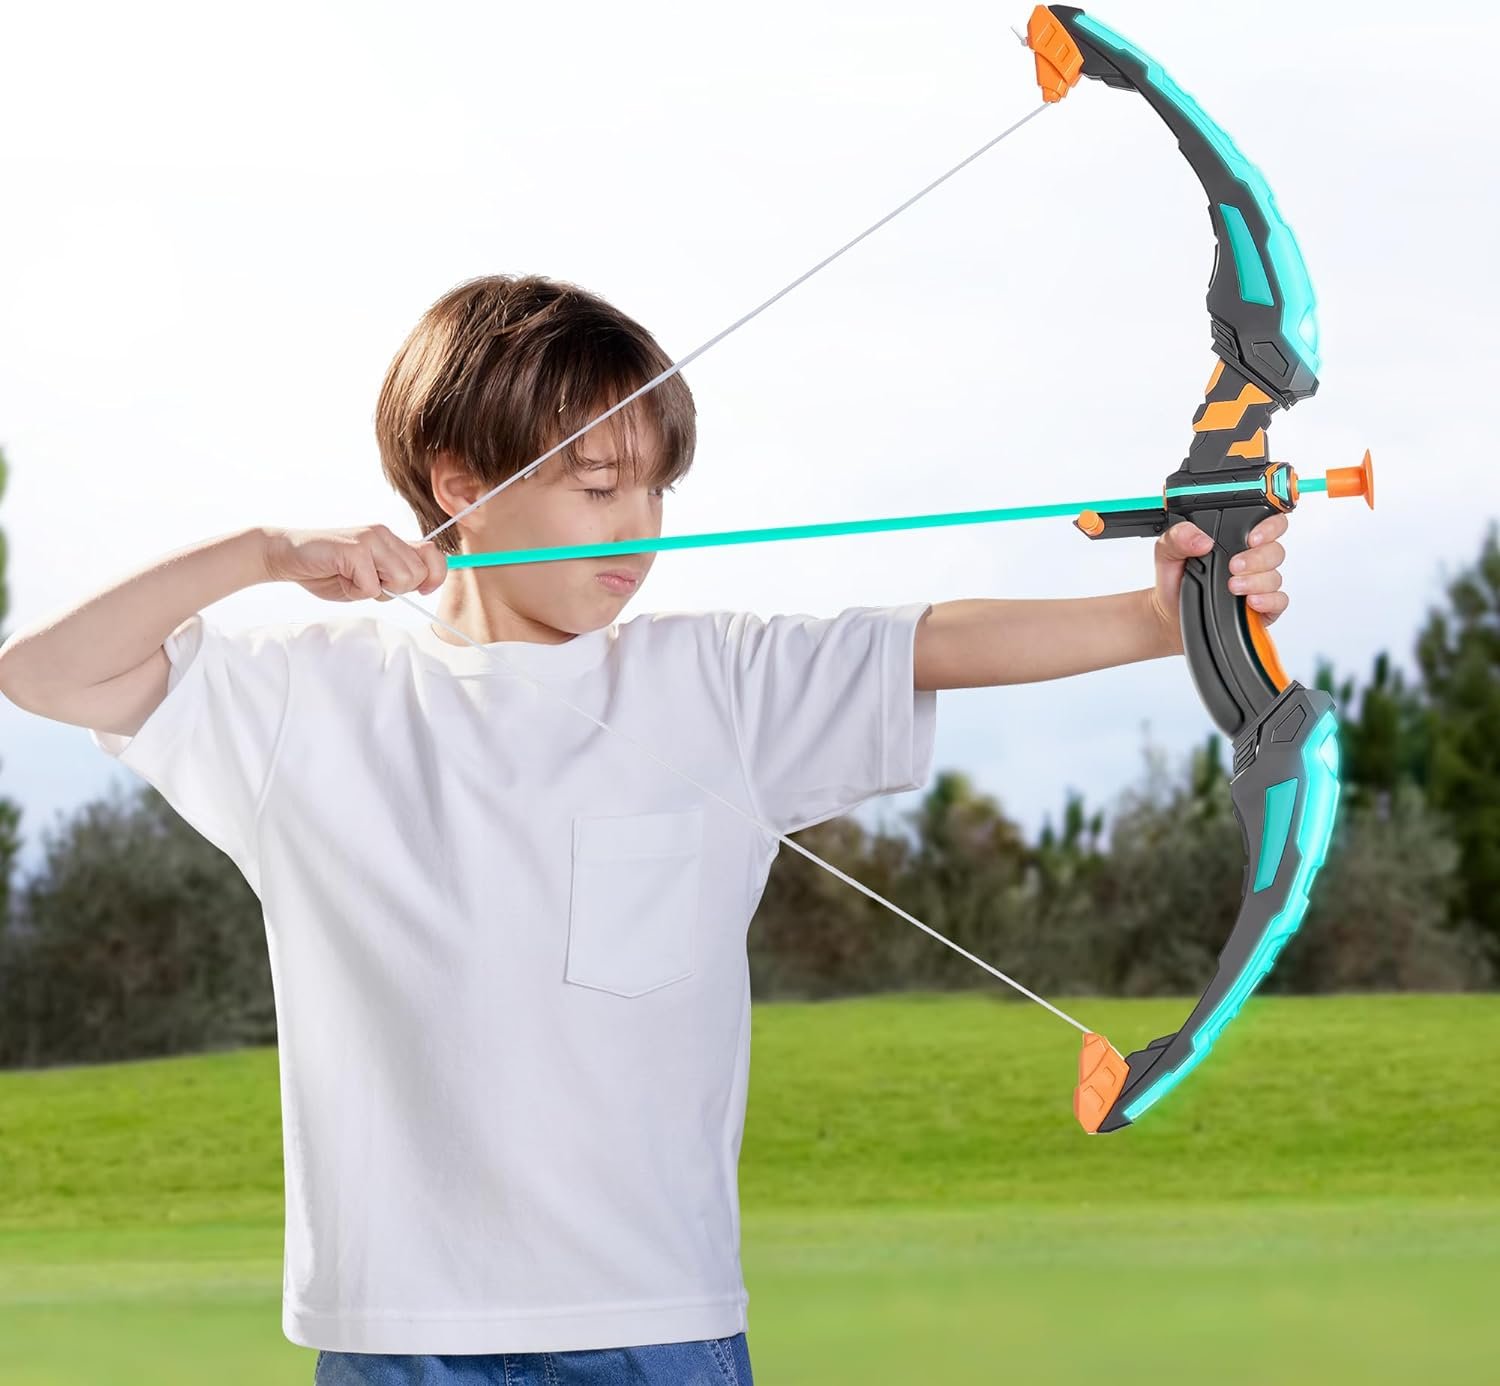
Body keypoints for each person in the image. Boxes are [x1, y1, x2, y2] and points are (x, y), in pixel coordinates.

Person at [0, 273, 1290, 1385]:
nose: (638, 531)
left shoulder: (711, 682)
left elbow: (930, 644)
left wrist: (1158, 616)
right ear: (461, 485)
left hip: (656, 1326)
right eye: (597, 485)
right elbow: (44, 672)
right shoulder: (307, 696)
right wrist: (265, 553)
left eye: (655, 491)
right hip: (399, 1336)